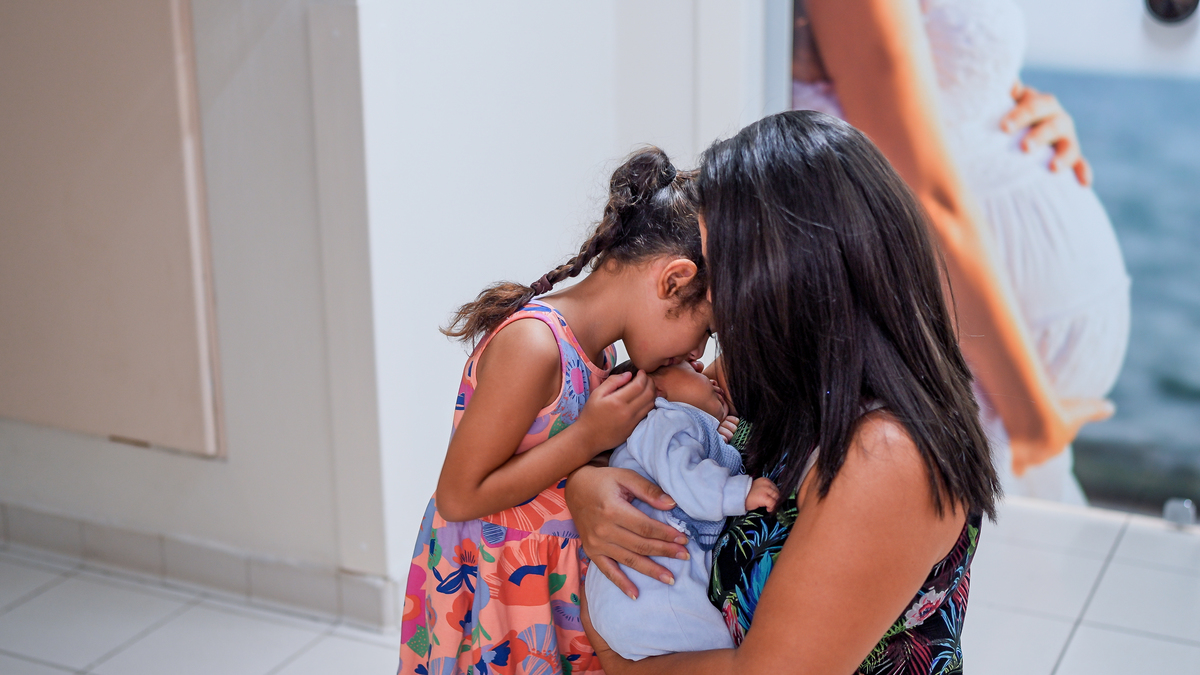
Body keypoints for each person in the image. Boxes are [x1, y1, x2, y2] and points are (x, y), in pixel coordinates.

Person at [569, 111, 1003, 674]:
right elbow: (643, 422)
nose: (708, 299)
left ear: (785, 278)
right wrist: (588, 485)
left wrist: (618, 660)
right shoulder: (770, 372)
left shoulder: (886, 458)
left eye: (717, 269)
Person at [789, 0, 1130, 503]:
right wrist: (1034, 422)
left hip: (989, 379)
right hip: (969, 373)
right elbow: (916, 199)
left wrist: (1011, 112)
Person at [397, 148, 712, 675]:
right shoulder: (535, 345)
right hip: (495, 595)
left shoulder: (602, 354)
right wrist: (588, 436)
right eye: (705, 329)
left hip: (546, 591)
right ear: (673, 281)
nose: (699, 351)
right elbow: (458, 495)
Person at [584, 361, 778, 661]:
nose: (706, 373)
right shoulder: (664, 418)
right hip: (656, 598)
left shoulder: (668, 429)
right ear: (653, 391)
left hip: (633, 598)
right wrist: (740, 492)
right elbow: (687, 478)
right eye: (694, 372)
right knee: (734, 656)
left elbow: (685, 460)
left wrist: (717, 437)